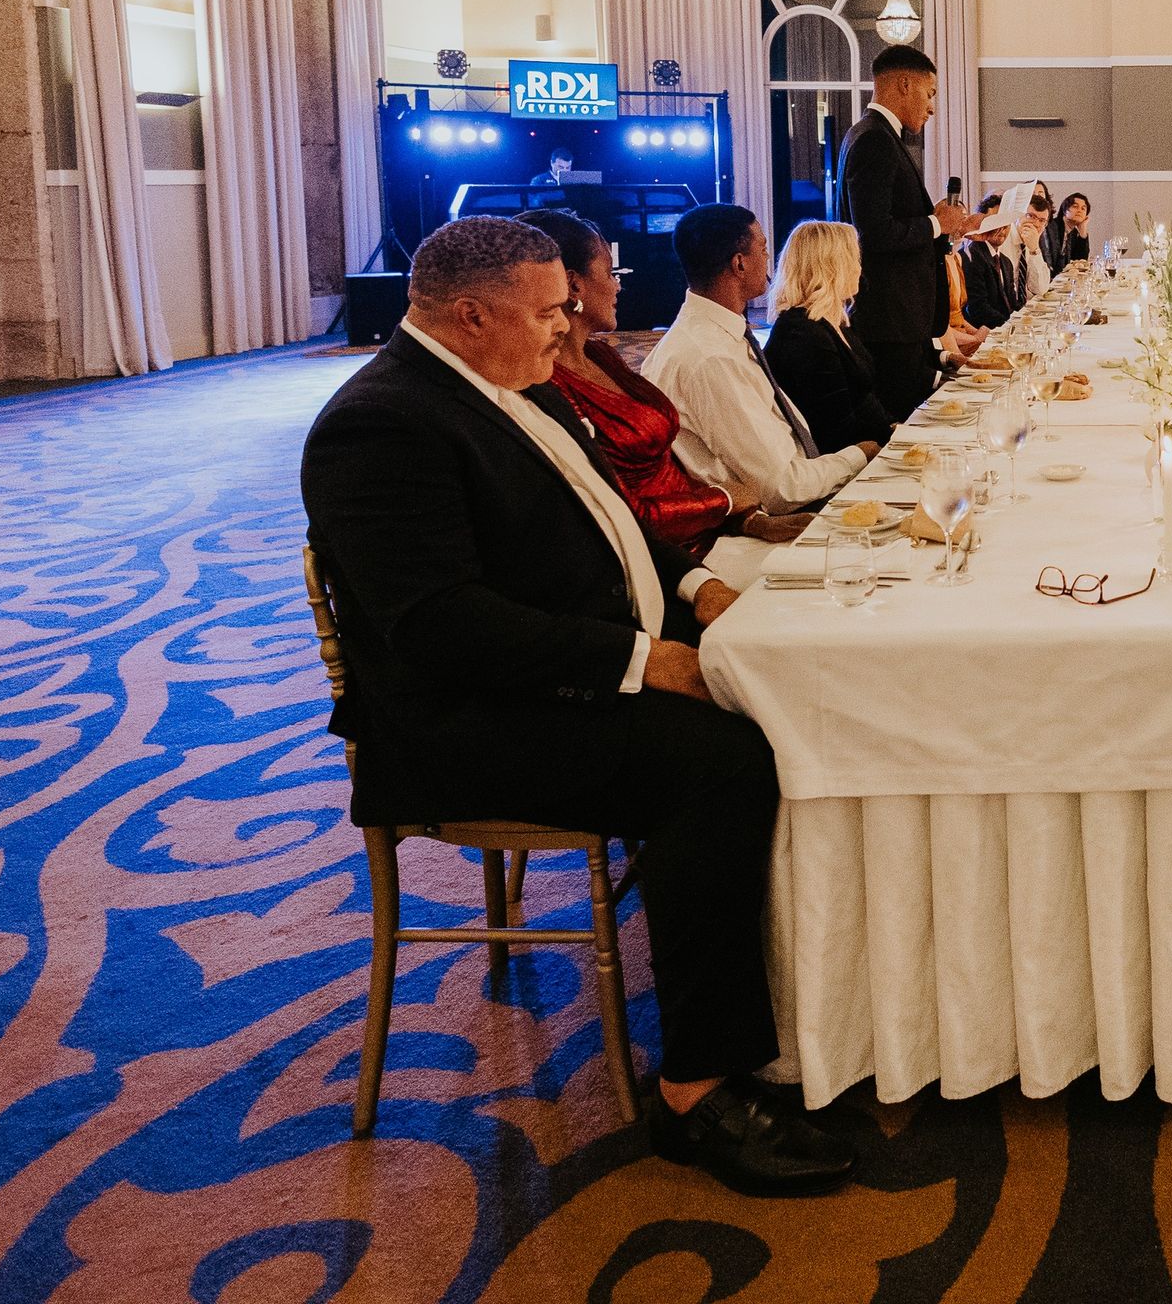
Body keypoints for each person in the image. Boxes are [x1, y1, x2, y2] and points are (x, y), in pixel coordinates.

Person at [300, 216, 852, 1191]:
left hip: (570, 660)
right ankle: (696, 1086)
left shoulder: (521, 382)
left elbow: (619, 525)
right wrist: (646, 662)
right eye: (552, 311)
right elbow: (444, 628)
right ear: (471, 315)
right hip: (462, 722)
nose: (571, 330)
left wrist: (696, 591)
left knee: (800, 685)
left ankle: (821, 996)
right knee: (720, 760)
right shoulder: (380, 424)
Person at [522, 208, 804, 584]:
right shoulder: (548, 383)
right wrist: (726, 501)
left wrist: (748, 520)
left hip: (712, 532)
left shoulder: (601, 355)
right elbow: (618, 509)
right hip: (668, 560)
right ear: (574, 286)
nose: (618, 285)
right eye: (610, 273)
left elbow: (669, 468)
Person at [641, 204, 875, 508]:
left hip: (796, 494)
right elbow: (783, 488)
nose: (769, 259)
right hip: (771, 522)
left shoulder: (718, 336)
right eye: (763, 249)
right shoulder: (710, 357)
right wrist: (861, 454)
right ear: (739, 264)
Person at [838, 44, 969, 418]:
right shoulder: (875, 139)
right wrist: (935, 222)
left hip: (900, 316)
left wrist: (951, 231)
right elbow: (873, 232)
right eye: (930, 95)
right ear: (906, 84)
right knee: (906, 422)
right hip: (889, 317)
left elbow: (897, 223)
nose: (931, 107)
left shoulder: (875, 135)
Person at [763, 221, 899, 455]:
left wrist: (898, 430)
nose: (859, 268)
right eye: (853, 259)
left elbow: (864, 402)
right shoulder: (801, 333)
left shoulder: (833, 321)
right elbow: (835, 429)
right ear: (830, 267)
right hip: (836, 466)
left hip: (860, 448)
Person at [1045, 192, 1094, 275]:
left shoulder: (1073, 232)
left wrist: (1083, 233)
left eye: (1083, 208)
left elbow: (1079, 262)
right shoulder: (1051, 227)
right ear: (1064, 210)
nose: (1079, 210)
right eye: (1075, 206)